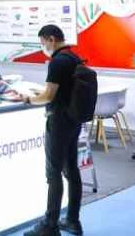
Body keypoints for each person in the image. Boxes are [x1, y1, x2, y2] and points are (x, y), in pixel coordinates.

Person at [20, 25, 84, 236]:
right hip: (73, 120)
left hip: (58, 122)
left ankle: (50, 224)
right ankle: (72, 220)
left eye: (43, 43)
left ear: (51, 39)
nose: (43, 47)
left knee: (53, 172)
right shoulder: (74, 58)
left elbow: (48, 96)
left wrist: (29, 99)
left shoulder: (57, 61)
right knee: (72, 170)